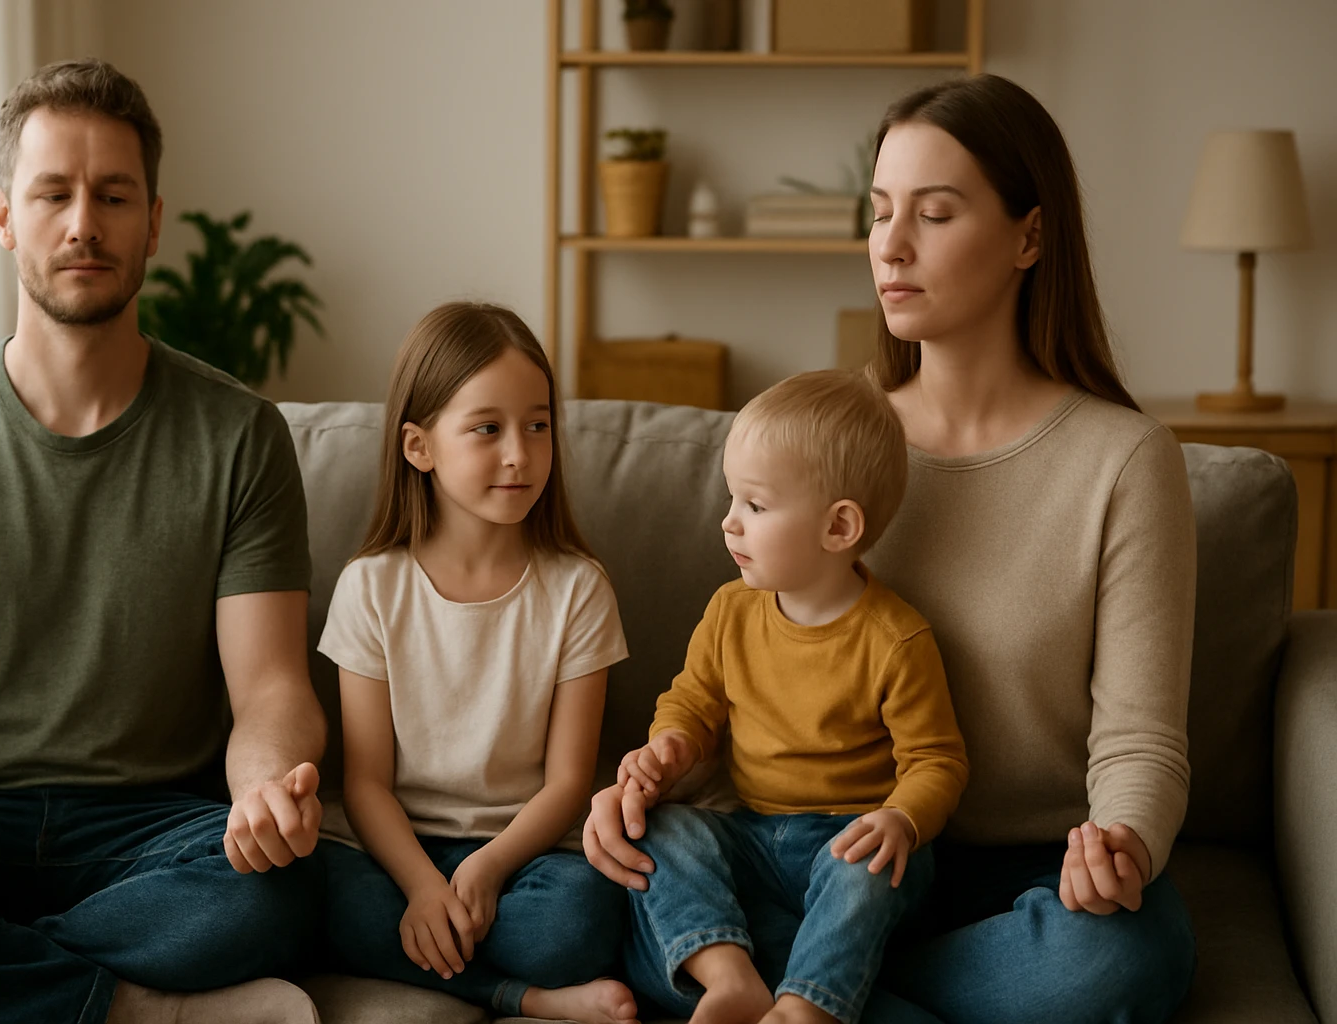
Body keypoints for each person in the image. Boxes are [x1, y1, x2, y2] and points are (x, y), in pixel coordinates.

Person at [586, 73, 1198, 1024]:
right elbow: (761, 653)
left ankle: (821, 993)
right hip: (823, 860)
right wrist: (647, 779)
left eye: (936, 214)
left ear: (1029, 237)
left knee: (1130, 952)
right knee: (628, 884)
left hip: (1010, 879)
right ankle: (818, 986)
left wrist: (1123, 843)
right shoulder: (833, 441)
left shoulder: (1122, 461)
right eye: (878, 213)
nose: (892, 246)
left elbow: (1141, 738)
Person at [0, 59, 326, 1024]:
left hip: (151, 831)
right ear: (6, 216)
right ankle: (127, 1005)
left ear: (153, 221)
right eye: (54, 194)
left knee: (275, 888)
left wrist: (262, 790)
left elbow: (271, 690)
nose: (83, 223)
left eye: (113, 195)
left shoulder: (239, 435)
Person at [604, 370, 969, 1024]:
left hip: (851, 840)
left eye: (755, 505)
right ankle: (728, 974)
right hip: (752, 833)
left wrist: (902, 820)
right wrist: (670, 746)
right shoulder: (730, 611)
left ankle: (807, 1006)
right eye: (731, 499)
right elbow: (692, 701)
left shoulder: (896, 639)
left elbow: (937, 762)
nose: (729, 523)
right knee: (664, 826)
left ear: (839, 527)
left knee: (870, 870)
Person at [317, 302, 638, 1024]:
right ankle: (517, 998)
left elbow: (566, 782)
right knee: (324, 897)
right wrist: (425, 886)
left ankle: (489, 963)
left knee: (575, 922)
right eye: (487, 429)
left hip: (526, 849)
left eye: (538, 425)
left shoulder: (578, 589)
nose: (520, 453)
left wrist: (488, 868)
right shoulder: (371, 586)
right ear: (418, 446)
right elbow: (365, 784)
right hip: (398, 847)